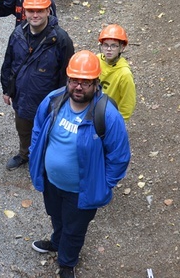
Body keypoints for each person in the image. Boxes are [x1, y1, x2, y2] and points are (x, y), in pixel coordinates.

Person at [29, 50, 131, 278]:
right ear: (67, 79)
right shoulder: (54, 101)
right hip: (52, 182)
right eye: (74, 80)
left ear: (96, 84)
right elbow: (37, 129)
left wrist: (104, 184)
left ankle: (67, 262)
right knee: (56, 217)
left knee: (75, 230)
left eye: (85, 83)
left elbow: (119, 156)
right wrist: (35, 157)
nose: (78, 87)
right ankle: (57, 242)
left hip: (80, 191)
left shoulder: (106, 115)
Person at [0, 0, 74, 171]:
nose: (35, 15)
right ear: (24, 11)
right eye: (31, 10)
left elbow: (66, 75)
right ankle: (24, 154)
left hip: (48, 102)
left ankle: (45, 161)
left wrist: (61, 102)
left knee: (48, 133)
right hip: (22, 98)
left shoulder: (61, 39)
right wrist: (7, 89)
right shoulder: (17, 33)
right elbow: (8, 62)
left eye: (39, 10)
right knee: (24, 130)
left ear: (48, 10)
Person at [97, 24, 136, 121]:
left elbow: (128, 104)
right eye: (106, 45)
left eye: (113, 46)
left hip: (110, 118)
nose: (109, 49)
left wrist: (119, 123)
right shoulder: (96, 60)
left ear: (122, 48)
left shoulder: (124, 74)